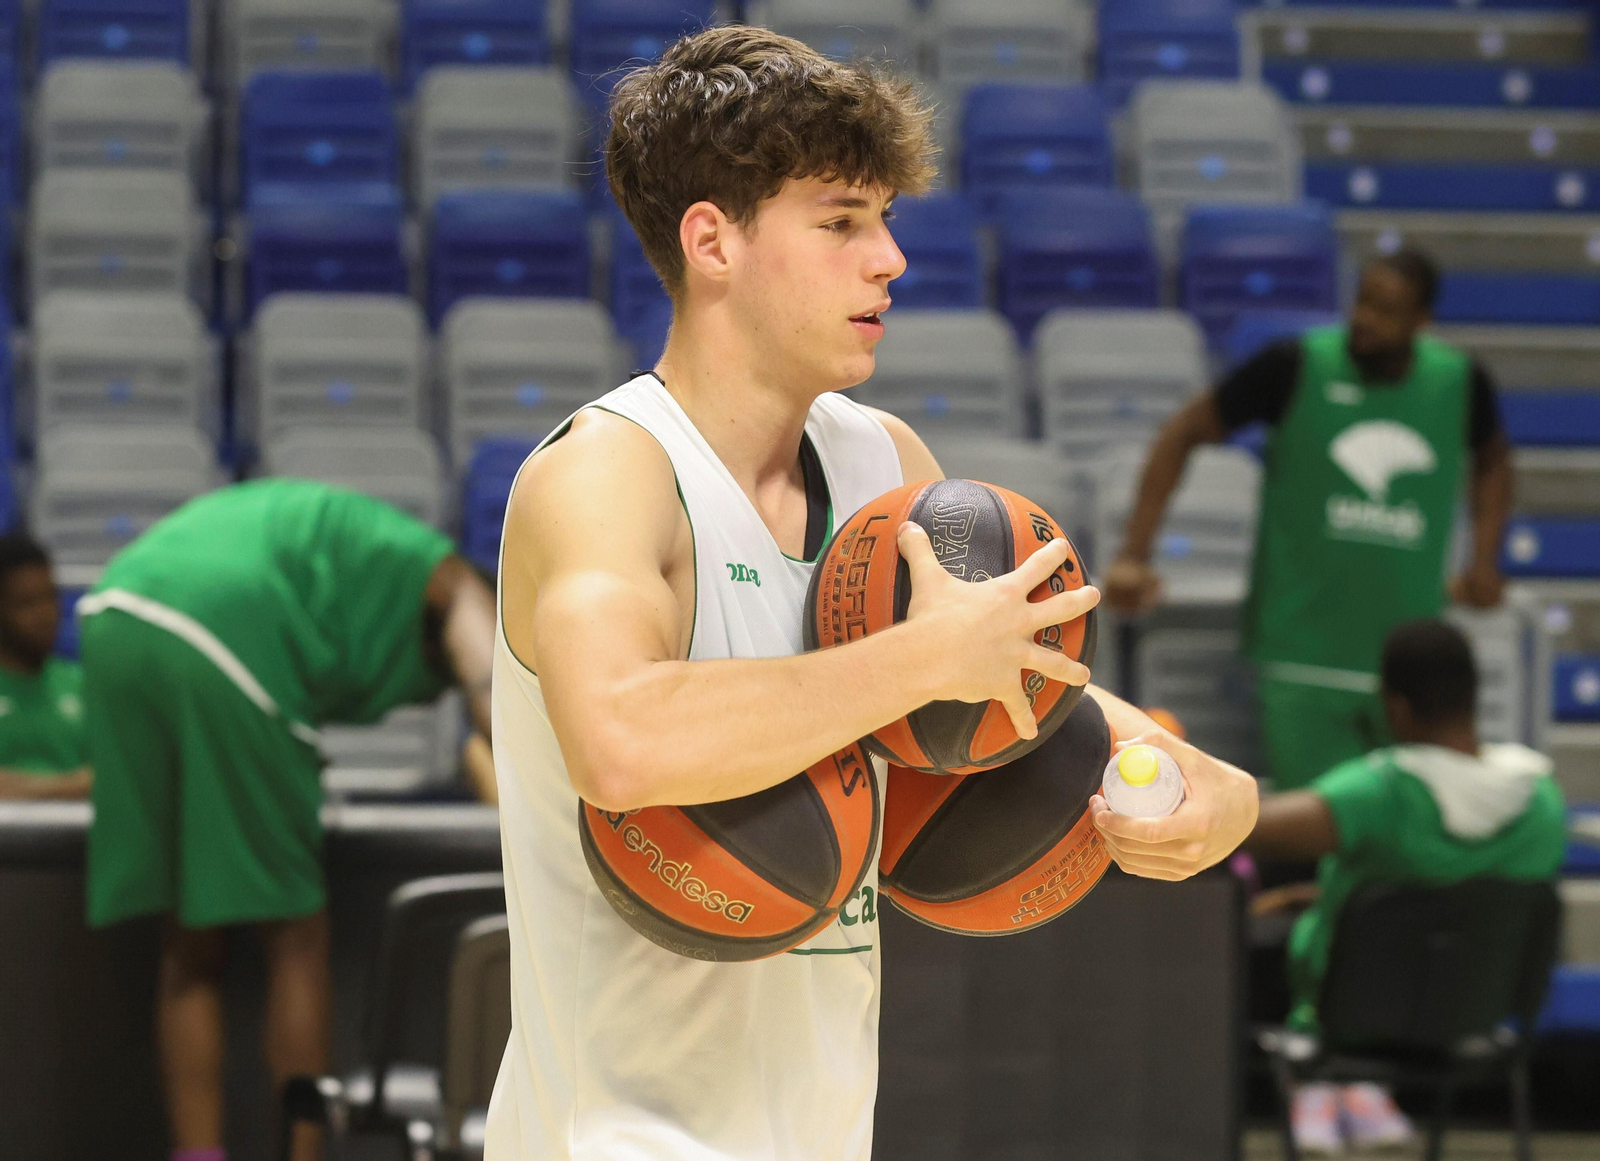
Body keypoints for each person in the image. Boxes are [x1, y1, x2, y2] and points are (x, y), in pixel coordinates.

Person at [486, 26, 1260, 1161]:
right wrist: (920, 661)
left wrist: (1211, 791)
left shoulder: (882, 463)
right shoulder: (606, 470)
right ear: (713, 241)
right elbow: (620, 741)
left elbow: (1018, 679)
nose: (889, 258)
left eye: (886, 220)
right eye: (842, 222)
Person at [79, 479, 497, 1161]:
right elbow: (489, 674)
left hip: (114, 612)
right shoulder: (440, 572)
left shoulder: (336, 548)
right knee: (296, 937)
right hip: (223, 627)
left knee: (189, 938)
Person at [1104, 249, 1514, 790]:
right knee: (1327, 835)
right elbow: (1182, 432)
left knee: (1413, 836)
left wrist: (1485, 559)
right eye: (1363, 300)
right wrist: (1135, 553)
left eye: (1387, 310)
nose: (1366, 318)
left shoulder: (1460, 382)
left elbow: (1494, 463)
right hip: (1301, 656)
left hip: (1411, 660)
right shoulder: (1295, 364)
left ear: (1422, 321)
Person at [1245, 619, 1565, 1154]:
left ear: (1395, 706)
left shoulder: (1379, 792)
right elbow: (1457, 895)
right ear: (1472, 696)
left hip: (1341, 1024)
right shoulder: (1543, 803)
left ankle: (1322, 1091)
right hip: (1476, 1020)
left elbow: (1250, 828)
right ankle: (1359, 1098)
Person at [0, 531, 91, 799]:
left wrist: (22, 790)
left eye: (50, 597)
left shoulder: (83, 683)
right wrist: (70, 786)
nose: (45, 615)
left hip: (78, 839)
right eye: (27, 603)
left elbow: (108, 778)